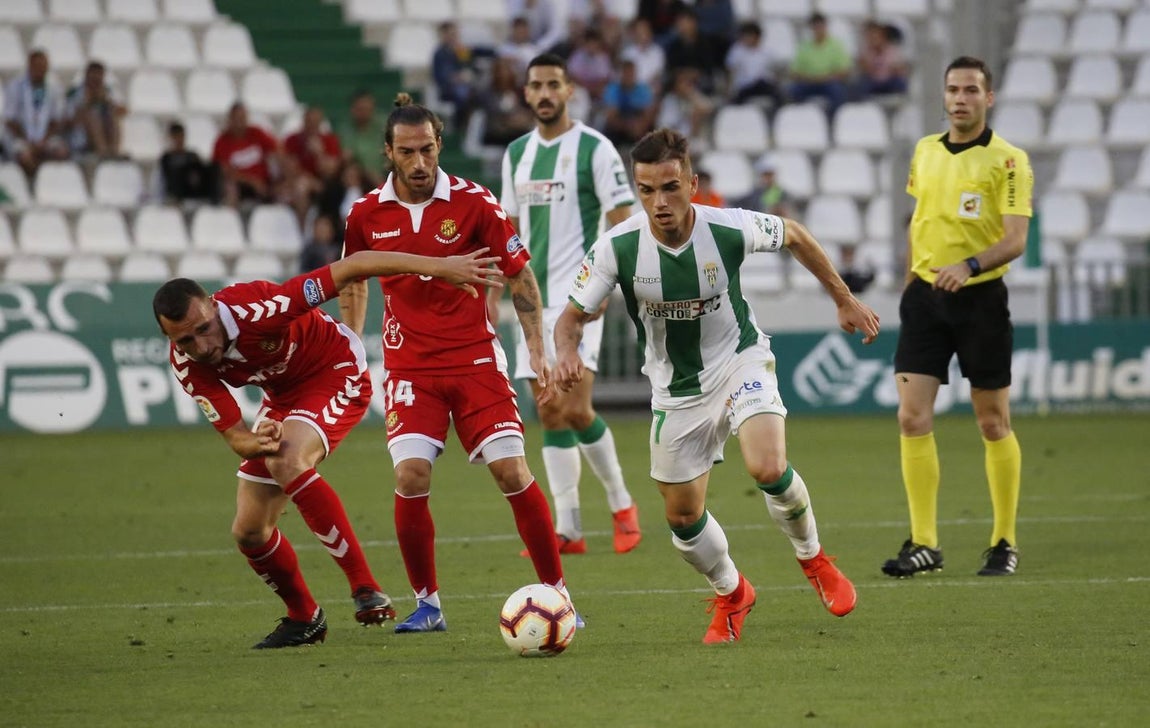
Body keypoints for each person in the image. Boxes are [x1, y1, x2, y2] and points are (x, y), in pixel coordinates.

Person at [553, 128, 880, 643]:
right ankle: (732, 591)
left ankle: (813, 559)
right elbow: (570, 318)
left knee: (767, 465)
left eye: (670, 187)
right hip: (675, 389)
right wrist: (567, 351)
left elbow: (793, 233)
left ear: (692, 183)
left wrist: (843, 299)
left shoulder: (726, 228)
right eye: (646, 190)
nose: (659, 202)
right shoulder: (618, 247)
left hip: (739, 361)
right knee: (682, 519)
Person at [153, 246, 504, 649]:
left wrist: (440, 267)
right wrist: (255, 440)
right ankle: (305, 617)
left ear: (213, 306)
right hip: (283, 395)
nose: (201, 345)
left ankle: (364, 586)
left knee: (287, 459)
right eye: (185, 339)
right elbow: (237, 437)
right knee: (249, 530)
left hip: (335, 369)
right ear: (169, 338)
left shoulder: (263, 309)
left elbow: (356, 266)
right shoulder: (187, 363)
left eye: (204, 328)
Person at [339, 93, 575, 633]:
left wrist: (535, 349)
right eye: (407, 152)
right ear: (389, 153)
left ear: (440, 145)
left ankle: (559, 596)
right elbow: (351, 278)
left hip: (474, 361)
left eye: (427, 150)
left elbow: (521, 275)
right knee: (411, 474)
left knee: (511, 471)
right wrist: (353, 341)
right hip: (408, 368)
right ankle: (428, 605)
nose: (419, 163)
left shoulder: (476, 204)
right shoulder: (366, 214)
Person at [882, 56, 1033, 579]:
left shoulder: (1009, 161)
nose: (960, 98)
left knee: (992, 421)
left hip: (980, 301)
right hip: (924, 300)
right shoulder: (924, 151)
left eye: (971, 90)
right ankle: (925, 543)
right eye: (953, 89)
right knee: (911, 417)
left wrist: (968, 267)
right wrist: (909, 284)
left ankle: (1004, 541)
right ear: (944, 96)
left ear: (988, 99)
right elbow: (918, 221)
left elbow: (1015, 239)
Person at [498, 53, 642, 556]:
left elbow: (624, 222)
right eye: (535, 85)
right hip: (533, 303)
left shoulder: (595, 150)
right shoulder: (515, 154)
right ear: (525, 92)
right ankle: (570, 528)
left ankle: (623, 505)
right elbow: (509, 233)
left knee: (576, 407)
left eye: (553, 84)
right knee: (549, 413)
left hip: (582, 297)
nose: (543, 93)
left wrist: (609, 287)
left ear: (569, 91)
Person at [2, 48, 69, 177]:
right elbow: (10, 120)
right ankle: (34, 184)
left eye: (43, 66)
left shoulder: (54, 87)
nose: (40, 70)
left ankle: (48, 181)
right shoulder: (15, 86)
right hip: (21, 137)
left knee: (61, 153)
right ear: (29, 66)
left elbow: (56, 119)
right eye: (37, 66)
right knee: (24, 156)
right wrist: (28, 140)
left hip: (45, 138)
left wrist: (42, 141)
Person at [212, 102, 279, 207]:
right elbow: (224, 171)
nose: (240, 122)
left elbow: (276, 150)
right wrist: (252, 182)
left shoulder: (257, 133)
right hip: (241, 185)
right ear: (230, 119)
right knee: (230, 187)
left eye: (242, 118)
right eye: (236, 118)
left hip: (264, 183)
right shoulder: (222, 141)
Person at [789, 12, 852, 117]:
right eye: (815, 26)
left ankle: (833, 120)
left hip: (829, 82)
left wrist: (827, 77)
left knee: (838, 90)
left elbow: (844, 71)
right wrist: (809, 78)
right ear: (811, 28)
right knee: (793, 90)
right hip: (809, 82)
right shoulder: (804, 46)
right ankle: (804, 118)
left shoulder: (836, 45)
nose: (818, 29)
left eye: (820, 26)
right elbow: (794, 72)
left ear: (825, 26)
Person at [64, 60, 127, 159]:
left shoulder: (108, 91)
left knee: (112, 116)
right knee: (90, 116)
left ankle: (114, 151)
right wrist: (88, 103)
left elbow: (123, 110)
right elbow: (68, 120)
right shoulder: (75, 93)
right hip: (80, 137)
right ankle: (102, 151)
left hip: (106, 133)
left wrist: (107, 102)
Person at [157, 121, 216, 204]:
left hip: (192, 193)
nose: (179, 140)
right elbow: (165, 180)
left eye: (181, 136)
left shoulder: (193, 156)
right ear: (171, 138)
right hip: (174, 195)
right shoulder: (166, 158)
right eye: (176, 137)